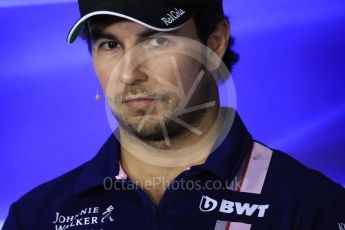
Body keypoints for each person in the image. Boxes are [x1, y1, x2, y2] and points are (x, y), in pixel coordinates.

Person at [3, 0, 345, 229]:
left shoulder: (310, 208)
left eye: (157, 41)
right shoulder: (35, 217)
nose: (129, 74)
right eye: (110, 45)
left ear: (214, 43)